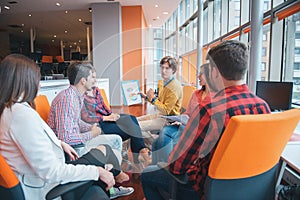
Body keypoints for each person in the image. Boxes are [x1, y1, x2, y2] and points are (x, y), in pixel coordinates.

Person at [141, 40, 271, 200]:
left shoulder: (210, 109)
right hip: (249, 188)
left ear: (214, 72)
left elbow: (177, 165)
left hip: (206, 187)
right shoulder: (262, 106)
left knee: (146, 174)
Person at [0, 54, 128, 200]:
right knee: (102, 162)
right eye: (36, 80)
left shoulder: (12, 111)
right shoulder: (21, 116)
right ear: (25, 82)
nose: (39, 85)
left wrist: (60, 143)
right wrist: (96, 171)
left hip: (50, 173)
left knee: (98, 188)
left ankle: (114, 181)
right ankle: (117, 179)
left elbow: (30, 141)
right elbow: (51, 172)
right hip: (49, 187)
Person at [47, 62, 134, 198]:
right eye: (92, 77)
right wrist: (91, 133)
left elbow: (77, 122)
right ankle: (113, 183)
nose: (95, 80)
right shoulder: (67, 99)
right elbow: (66, 139)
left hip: (77, 141)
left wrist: (90, 127)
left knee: (116, 140)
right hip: (72, 151)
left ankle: (111, 185)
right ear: (83, 81)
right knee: (111, 147)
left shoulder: (77, 96)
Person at [81, 80, 152, 166]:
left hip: (107, 118)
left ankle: (140, 154)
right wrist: (107, 117)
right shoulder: (81, 95)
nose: (94, 79)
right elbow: (87, 118)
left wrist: (111, 115)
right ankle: (141, 154)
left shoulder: (95, 90)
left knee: (131, 118)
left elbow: (104, 106)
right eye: (91, 76)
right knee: (133, 128)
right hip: (98, 124)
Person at [151, 63, 209, 164]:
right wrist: (180, 119)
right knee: (158, 139)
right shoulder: (196, 93)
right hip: (186, 125)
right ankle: (156, 168)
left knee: (164, 133)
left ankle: (165, 168)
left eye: (201, 74)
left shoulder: (216, 97)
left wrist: (152, 99)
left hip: (197, 131)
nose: (198, 76)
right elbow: (188, 113)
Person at [138, 56, 183, 132]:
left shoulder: (175, 87)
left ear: (173, 70)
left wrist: (152, 98)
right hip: (161, 115)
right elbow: (159, 102)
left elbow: (166, 110)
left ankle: (150, 143)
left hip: (169, 119)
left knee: (137, 127)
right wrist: (146, 97)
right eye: (162, 67)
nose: (163, 71)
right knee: (134, 121)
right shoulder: (162, 82)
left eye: (167, 68)